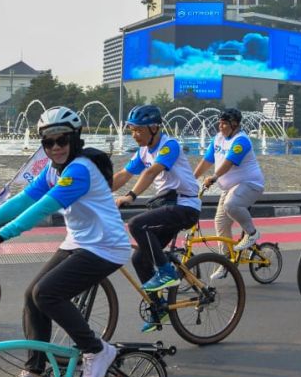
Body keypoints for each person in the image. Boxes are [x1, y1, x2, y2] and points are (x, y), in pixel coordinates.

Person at [0, 107, 129, 377]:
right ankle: (33, 372)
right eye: (47, 143)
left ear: (75, 139)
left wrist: (0, 236)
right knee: (32, 296)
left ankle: (97, 350)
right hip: (78, 243)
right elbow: (24, 200)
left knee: (47, 293)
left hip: (106, 247)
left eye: (61, 140)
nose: (55, 148)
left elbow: (42, 208)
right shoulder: (54, 169)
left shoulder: (80, 170)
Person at [111, 105, 202, 332]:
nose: (134, 135)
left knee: (136, 224)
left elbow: (151, 173)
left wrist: (131, 195)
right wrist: (95, 192)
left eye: (138, 130)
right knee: (139, 258)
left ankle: (167, 271)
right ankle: (158, 306)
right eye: (131, 130)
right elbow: (123, 175)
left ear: (153, 127)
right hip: (167, 208)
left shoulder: (169, 145)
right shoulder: (143, 152)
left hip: (185, 206)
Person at [193, 108, 265, 280]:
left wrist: (214, 177)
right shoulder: (218, 139)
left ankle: (252, 233)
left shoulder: (242, 141)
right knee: (220, 223)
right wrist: (191, 179)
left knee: (231, 205)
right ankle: (225, 263)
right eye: (220, 123)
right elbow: (206, 161)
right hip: (231, 188)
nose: (220, 126)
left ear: (235, 125)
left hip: (250, 184)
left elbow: (228, 163)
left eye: (224, 124)